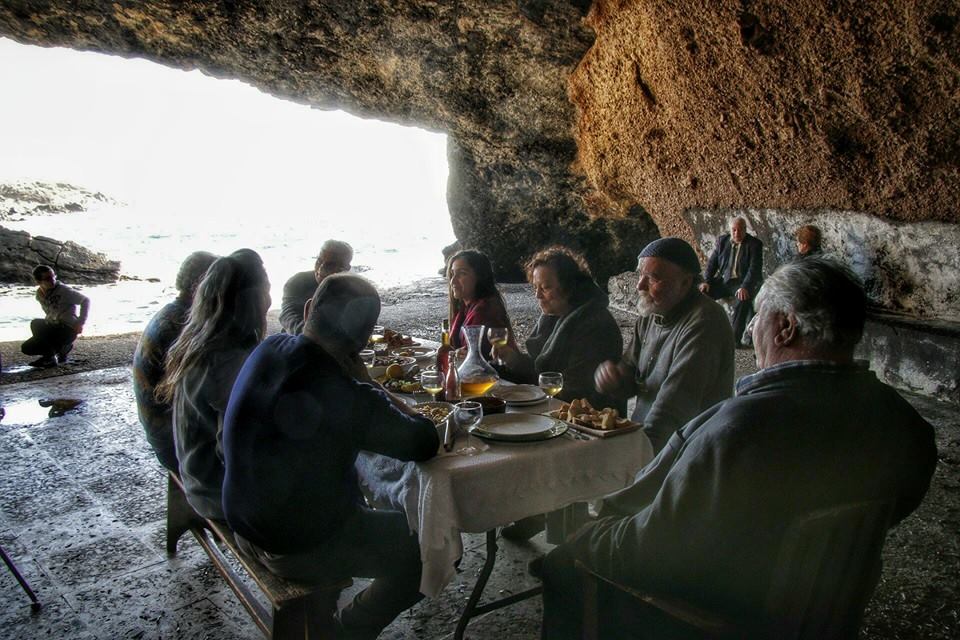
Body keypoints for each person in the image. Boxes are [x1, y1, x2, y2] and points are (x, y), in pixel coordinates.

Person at [541, 257, 938, 640]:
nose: (750, 330)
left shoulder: (736, 431)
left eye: (758, 316)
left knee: (564, 565)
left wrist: (587, 538)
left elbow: (652, 550)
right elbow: (895, 504)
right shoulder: (903, 422)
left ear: (785, 328)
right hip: (822, 609)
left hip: (724, 617)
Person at [222, 273, 438, 640]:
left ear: (309, 309)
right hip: (291, 545)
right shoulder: (346, 394)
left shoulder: (269, 347)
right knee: (434, 546)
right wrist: (369, 382)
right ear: (363, 340)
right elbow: (425, 440)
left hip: (242, 518)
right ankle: (349, 630)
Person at [155, 249, 270, 521]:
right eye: (266, 291)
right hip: (216, 493)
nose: (269, 300)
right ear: (252, 300)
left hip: (196, 475)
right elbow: (234, 451)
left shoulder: (199, 341)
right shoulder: (228, 361)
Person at [594, 238, 734, 455]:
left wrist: (637, 457)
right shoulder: (652, 313)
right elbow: (633, 373)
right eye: (640, 275)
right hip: (646, 440)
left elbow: (674, 408)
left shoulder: (705, 322)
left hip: (686, 451)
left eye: (653, 278)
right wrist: (615, 379)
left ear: (685, 283)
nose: (640, 286)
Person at [494, 246, 623, 410]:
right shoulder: (556, 315)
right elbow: (541, 369)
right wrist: (514, 359)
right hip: (556, 407)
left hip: (587, 416)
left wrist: (526, 391)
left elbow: (574, 389)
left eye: (545, 288)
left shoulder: (595, 325)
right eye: (535, 288)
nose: (537, 295)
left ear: (568, 287)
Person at [132, 251, 217, 471]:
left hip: (162, 432)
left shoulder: (173, 313)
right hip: (172, 443)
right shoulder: (182, 326)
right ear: (200, 285)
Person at [700, 216, 764, 347]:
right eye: (734, 230)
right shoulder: (722, 241)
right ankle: (702, 333)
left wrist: (745, 286)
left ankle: (734, 340)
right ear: (730, 230)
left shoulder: (754, 244)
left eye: (740, 230)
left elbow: (754, 269)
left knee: (742, 299)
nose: (737, 233)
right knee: (701, 294)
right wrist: (706, 281)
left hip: (742, 282)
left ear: (745, 229)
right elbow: (712, 263)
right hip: (724, 280)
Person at [446, 249, 515, 360]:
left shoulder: (484, 311)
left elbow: (484, 358)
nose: (453, 281)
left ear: (480, 277)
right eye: (452, 274)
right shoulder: (466, 308)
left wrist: (464, 356)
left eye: (462, 273)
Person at [21, 265, 90, 367]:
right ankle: (62, 350)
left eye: (53, 276)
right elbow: (49, 312)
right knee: (26, 348)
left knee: (36, 323)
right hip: (54, 327)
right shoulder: (39, 294)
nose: (52, 280)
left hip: (67, 329)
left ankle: (50, 358)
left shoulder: (63, 290)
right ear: (39, 281)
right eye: (48, 278)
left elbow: (85, 300)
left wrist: (81, 322)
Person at [279, 239, 353, 335]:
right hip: (295, 338)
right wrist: (309, 335)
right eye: (319, 261)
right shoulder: (298, 282)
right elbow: (288, 315)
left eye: (330, 264)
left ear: (346, 268)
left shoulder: (354, 290)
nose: (321, 267)